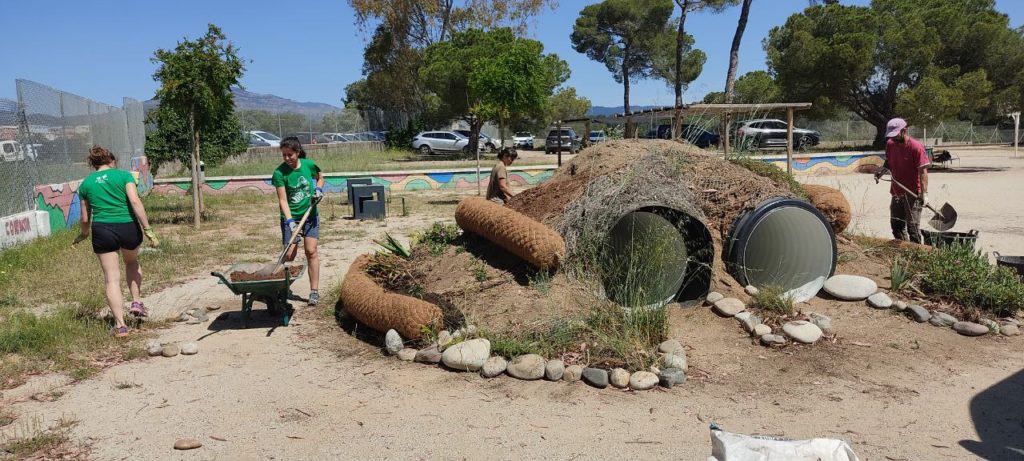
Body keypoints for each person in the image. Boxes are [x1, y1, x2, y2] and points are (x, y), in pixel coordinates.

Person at [73, 146, 159, 337]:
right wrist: (148, 229)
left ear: (92, 165)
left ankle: (120, 326)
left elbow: (85, 217)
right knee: (131, 262)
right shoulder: (124, 176)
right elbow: (135, 202)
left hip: (102, 230)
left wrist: (83, 234)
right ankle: (136, 302)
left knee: (111, 278)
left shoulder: (86, 184)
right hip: (127, 226)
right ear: (112, 161)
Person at [272, 136, 324, 305]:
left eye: (290, 155)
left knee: (311, 251)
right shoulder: (279, 173)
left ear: (298, 152)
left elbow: (320, 177)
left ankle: (314, 291)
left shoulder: (308, 165)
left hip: (310, 215)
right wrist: (290, 221)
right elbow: (283, 200)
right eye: (284, 155)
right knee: (289, 253)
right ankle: (283, 287)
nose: (287, 158)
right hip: (291, 217)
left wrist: (318, 189)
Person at [875, 117, 930, 243]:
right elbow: (888, 162)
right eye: (891, 135)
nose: (893, 138)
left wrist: (924, 194)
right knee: (897, 226)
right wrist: (881, 172)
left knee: (913, 229)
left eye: (895, 134)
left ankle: (917, 256)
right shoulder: (890, 144)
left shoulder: (916, 148)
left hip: (913, 193)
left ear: (904, 131)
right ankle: (903, 253)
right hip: (896, 191)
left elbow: (923, 172)